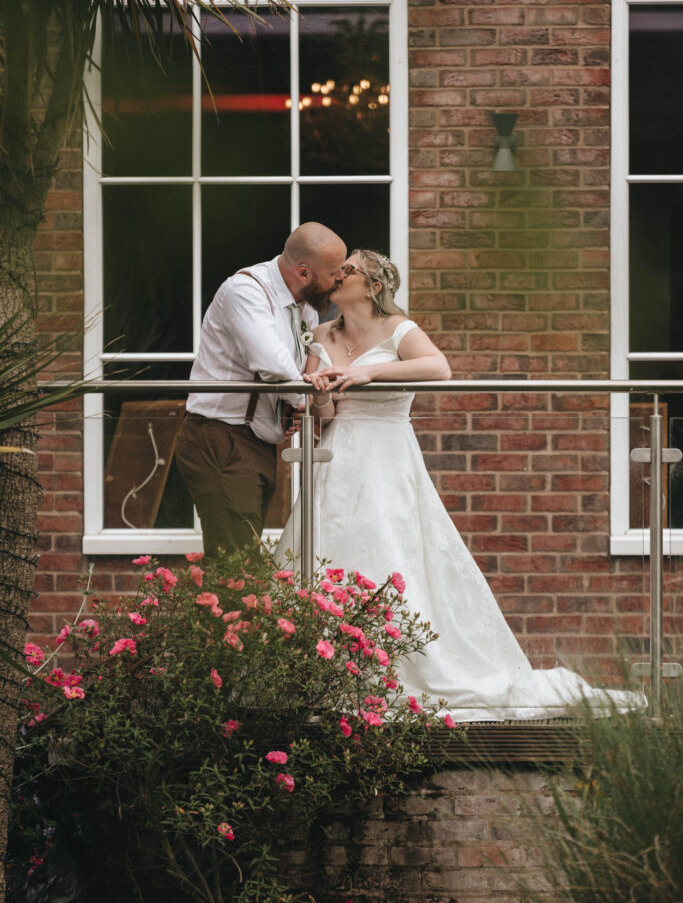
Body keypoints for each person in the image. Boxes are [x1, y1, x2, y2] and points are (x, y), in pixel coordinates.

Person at [275, 249, 646, 721]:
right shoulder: (321, 334)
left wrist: (367, 371)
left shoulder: (400, 331)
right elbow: (324, 415)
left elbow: (438, 367)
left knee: (395, 554)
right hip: (336, 459)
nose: (339, 275)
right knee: (331, 553)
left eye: (349, 270)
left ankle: (403, 668)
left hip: (389, 460)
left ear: (371, 287)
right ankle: (333, 671)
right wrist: (320, 393)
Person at [176, 222, 347, 557]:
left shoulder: (305, 304)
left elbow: (301, 363)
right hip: (221, 439)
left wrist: (290, 404)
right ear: (303, 272)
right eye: (333, 274)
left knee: (241, 556)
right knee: (234, 561)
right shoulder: (246, 291)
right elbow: (274, 365)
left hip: (254, 443)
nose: (338, 281)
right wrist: (302, 401)